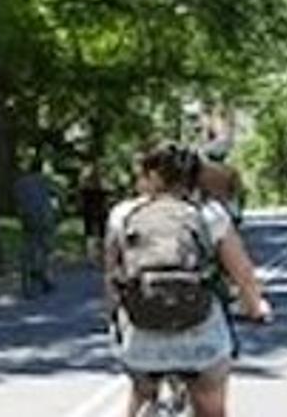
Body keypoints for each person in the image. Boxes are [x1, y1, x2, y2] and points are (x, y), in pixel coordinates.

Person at [106, 143, 271, 417]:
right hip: (200, 336)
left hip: (140, 335)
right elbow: (243, 276)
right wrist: (255, 308)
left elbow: (111, 278)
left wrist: (114, 319)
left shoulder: (123, 214)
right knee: (211, 405)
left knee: (140, 389)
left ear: (153, 177)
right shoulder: (210, 214)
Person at [13, 155, 60, 297]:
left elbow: (16, 200)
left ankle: (28, 277)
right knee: (46, 247)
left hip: (28, 218)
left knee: (29, 245)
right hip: (45, 217)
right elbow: (56, 194)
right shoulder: (44, 180)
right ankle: (44, 276)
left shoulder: (20, 183)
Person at [196, 140, 245, 227]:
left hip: (208, 206)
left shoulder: (201, 171)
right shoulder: (231, 170)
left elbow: (199, 190)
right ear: (223, 157)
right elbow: (238, 190)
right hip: (226, 204)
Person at [79, 163, 113, 265]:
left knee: (96, 233)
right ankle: (96, 256)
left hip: (95, 212)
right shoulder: (95, 188)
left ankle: (96, 256)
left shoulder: (87, 188)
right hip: (96, 212)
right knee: (95, 234)